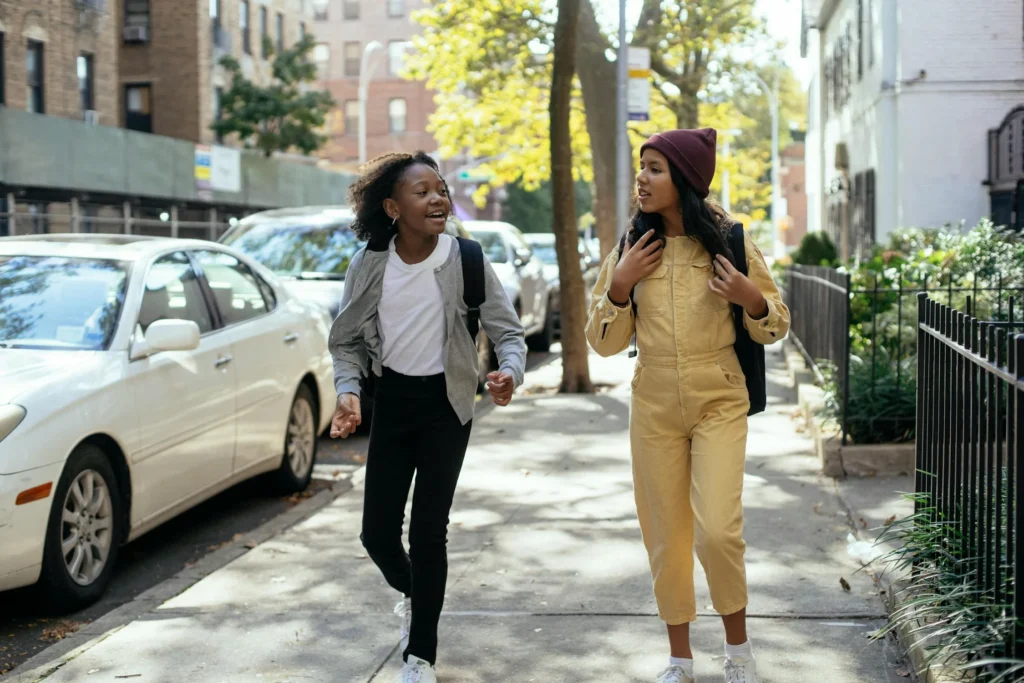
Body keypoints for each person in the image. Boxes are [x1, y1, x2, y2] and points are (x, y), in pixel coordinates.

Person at [585, 128, 790, 683]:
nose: (642, 180)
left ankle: (739, 653)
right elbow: (601, 343)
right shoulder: (629, 246)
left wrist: (750, 298)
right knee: (666, 537)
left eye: (654, 168)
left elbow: (776, 322)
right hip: (653, 400)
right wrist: (621, 285)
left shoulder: (730, 240)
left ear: (685, 179)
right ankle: (680, 660)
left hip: (718, 392)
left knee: (718, 530)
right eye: (641, 168)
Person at [329, 151, 527, 683]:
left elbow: (508, 332)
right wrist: (349, 392)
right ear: (393, 207)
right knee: (376, 535)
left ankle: (420, 655)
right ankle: (419, 594)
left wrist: (508, 372)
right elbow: (346, 342)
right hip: (392, 402)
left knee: (428, 530)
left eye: (440, 189)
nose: (437, 198)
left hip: (448, 406)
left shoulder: (464, 258)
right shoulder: (369, 264)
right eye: (422, 192)